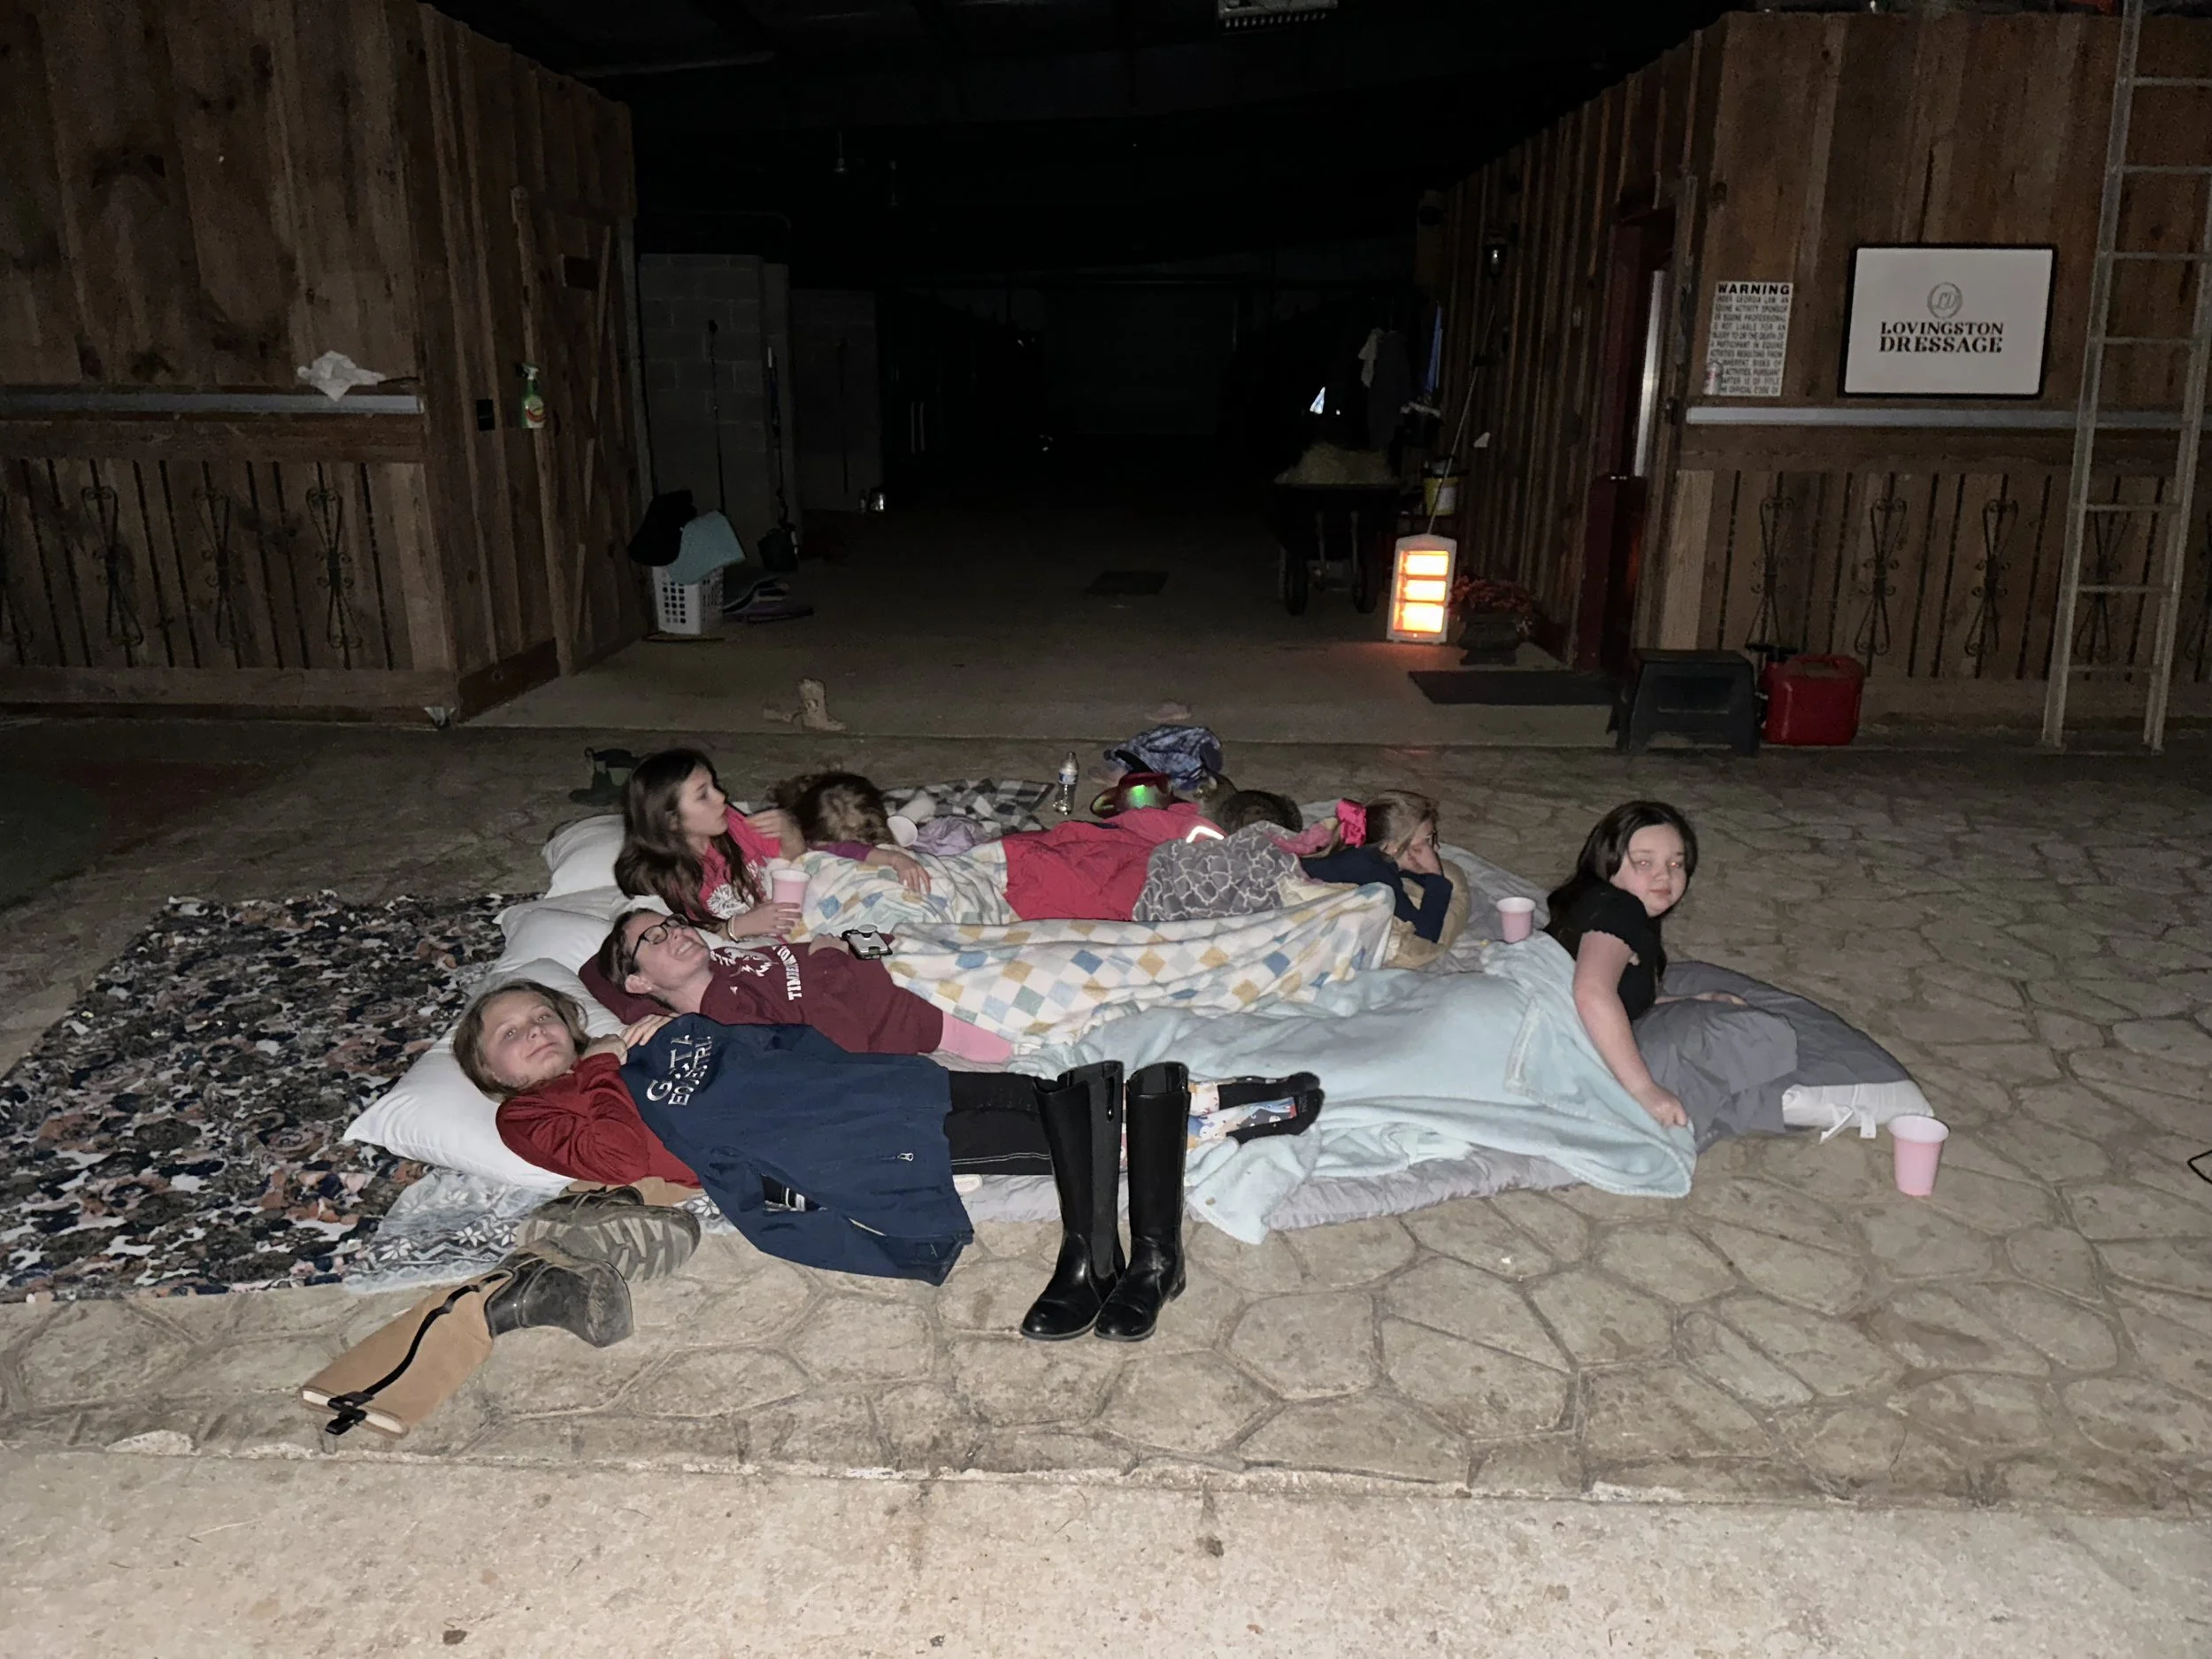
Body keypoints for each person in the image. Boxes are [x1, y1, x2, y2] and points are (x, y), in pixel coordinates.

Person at [585, 906, 1014, 1064]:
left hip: (906, 949)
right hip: (933, 1004)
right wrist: (828, 958)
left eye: (672, 924)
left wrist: (648, 1015)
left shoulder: (721, 961)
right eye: (655, 937)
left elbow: (589, 972)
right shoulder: (729, 1021)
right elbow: (839, 1051)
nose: (676, 932)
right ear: (639, 981)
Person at [1543, 801, 1740, 1131]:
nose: (1665, 874)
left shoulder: (1611, 908)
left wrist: (1691, 1002)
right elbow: (1591, 991)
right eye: (1645, 862)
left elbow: (1612, 992)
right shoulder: (1620, 908)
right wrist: (1644, 1090)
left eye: (1676, 863)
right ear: (1608, 866)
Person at [613, 749, 920, 941]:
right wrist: (738, 927)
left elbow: (804, 861)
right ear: (671, 821)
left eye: (714, 785)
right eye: (703, 794)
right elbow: (680, 944)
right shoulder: (663, 881)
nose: (722, 797)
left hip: (801, 920)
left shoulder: (731, 824)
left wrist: (789, 832)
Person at [1296, 790, 1454, 943]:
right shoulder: (1377, 874)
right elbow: (1424, 934)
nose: (1436, 848)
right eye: (1426, 841)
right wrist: (1435, 874)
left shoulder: (1365, 852)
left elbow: (1406, 872)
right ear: (1394, 846)